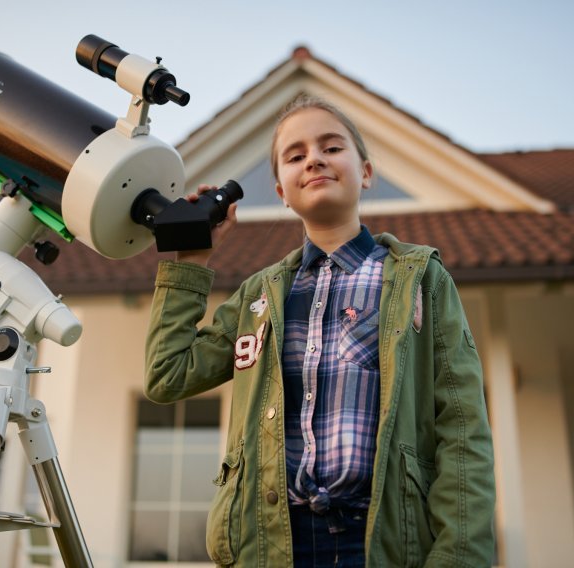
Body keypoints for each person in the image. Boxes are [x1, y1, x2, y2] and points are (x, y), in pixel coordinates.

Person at [144, 94, 496, 567]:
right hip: (270, 542)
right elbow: (168, 375)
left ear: (366, 173)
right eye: (295, 155)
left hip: (376, 540)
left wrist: (457, 556)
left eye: (331, 148)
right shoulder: (260, 297)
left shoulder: (418, 280)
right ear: (282, 193)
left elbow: (462, 427)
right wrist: (191, 261)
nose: (313, 159)